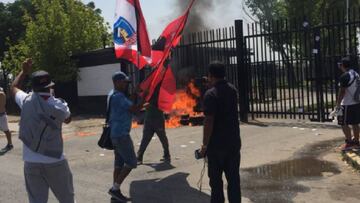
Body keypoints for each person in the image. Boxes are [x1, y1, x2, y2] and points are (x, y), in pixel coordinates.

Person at [11, 58, 75, 203]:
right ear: (50, 86)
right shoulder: (59, 106)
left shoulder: (26, 100)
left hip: (31, 162)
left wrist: (24, 72)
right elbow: (68, 119)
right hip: (55, 161)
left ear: (33, 87)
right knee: (67, 199)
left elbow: (13, 88)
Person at [199, 61, 241, 203]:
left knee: (216, 183)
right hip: (233, 143)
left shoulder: (210, 95)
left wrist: (204, 145)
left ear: (210, 75)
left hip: (216, 146)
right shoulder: (232, 90)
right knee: (234, 180)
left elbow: (209, 121)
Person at [108, 71, 144, 202]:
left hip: (115, 134)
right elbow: (135, 109)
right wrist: (144, 96)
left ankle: (115, 192)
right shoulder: (119, 97)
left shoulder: (112, 94)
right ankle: (115, 189)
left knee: (118, 164)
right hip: (121, 135)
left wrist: (134, 93)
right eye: (124, 82)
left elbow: (128, 103)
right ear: (117, 82)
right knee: (131, 162)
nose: (126, 85)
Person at [336, 56, 360, 150]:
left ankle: (349, 142)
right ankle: (356, 141)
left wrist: (337, 104)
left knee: (343, 123)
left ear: (342, 65)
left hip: (347, 104)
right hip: (357, 102)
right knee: (355, 123)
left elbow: (342, 91)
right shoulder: (356, 74)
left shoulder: (345, 76)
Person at [136, 100, 170, 164]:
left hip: (158, 120)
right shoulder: (148, 95)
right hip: (148, 120)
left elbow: (159, 104)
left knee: (163, 138)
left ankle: (167, 155)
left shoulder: (160, 95)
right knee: (145, 139)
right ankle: (139, 157)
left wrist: (145, 105)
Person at [0, 87, 13, 153]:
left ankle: (10, 144)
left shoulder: (2, 94)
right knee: (6, 131)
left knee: (6, 131)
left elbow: (1, 94)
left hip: (1, 116)